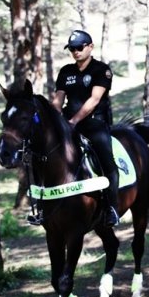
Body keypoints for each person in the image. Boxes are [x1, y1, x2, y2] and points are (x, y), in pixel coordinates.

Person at [32, 29, 119, 227]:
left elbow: (94, 100)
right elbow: (58, 101)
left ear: (90, 47)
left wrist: (73, 121)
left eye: (79, 47)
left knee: (106, 160)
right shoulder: (66, 72)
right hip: (68, 125)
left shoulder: (101, 70)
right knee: (41, 156)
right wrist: (53, 119)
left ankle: (112, 207)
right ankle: (40, 207)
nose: (76, 52)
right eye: (72, 49)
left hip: (95, 124)